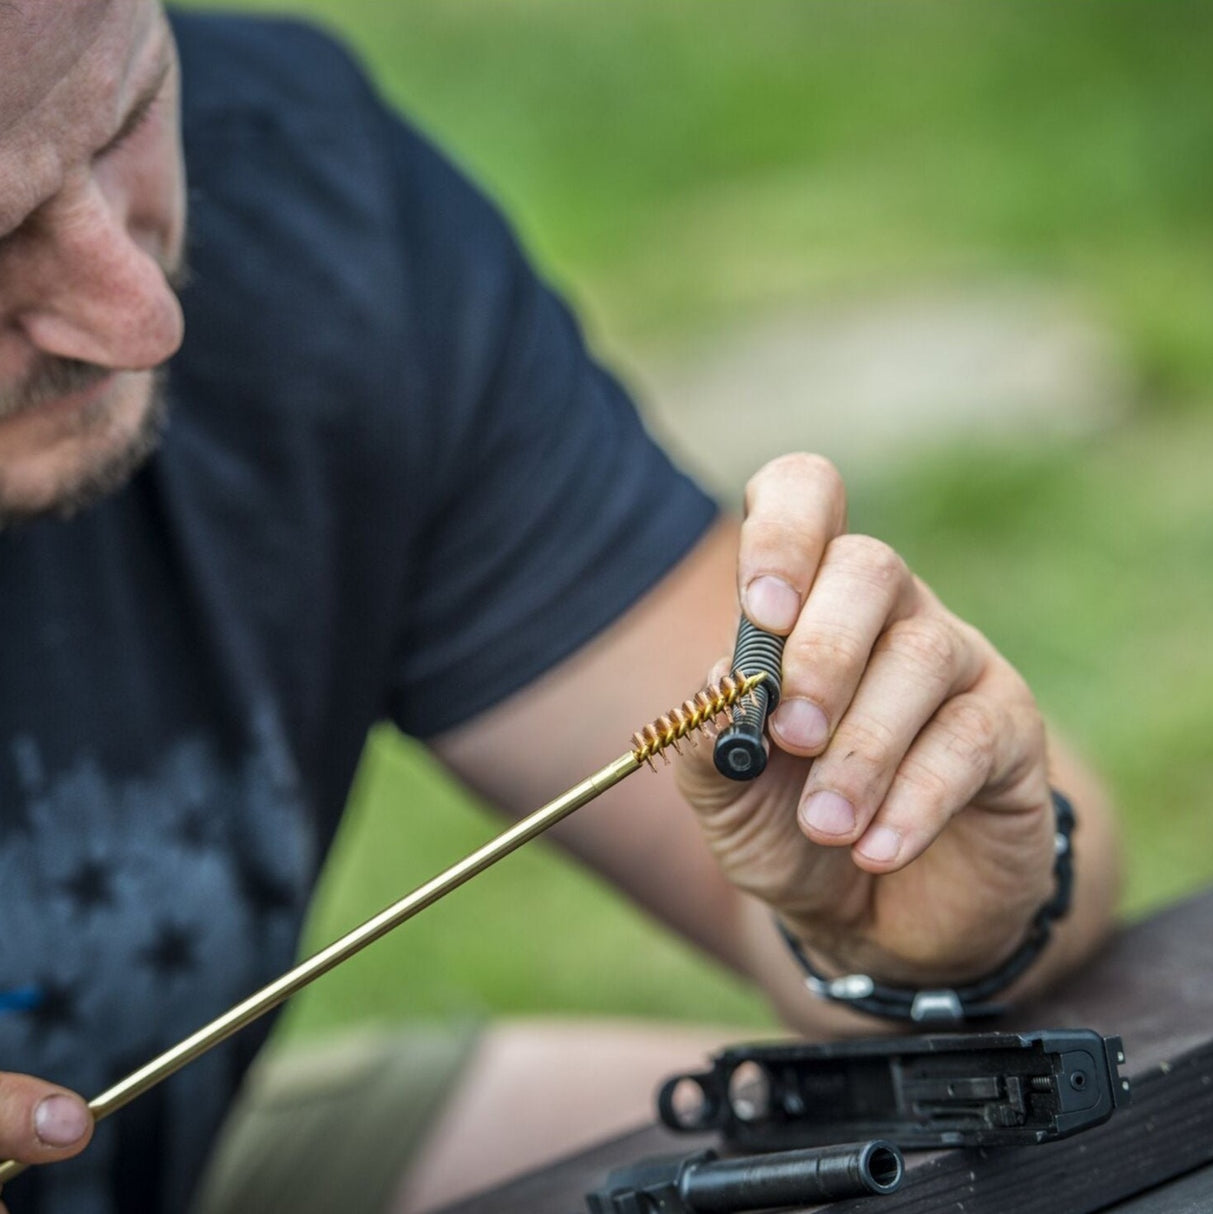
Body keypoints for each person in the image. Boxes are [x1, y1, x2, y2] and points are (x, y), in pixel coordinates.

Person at [0, 2, 1121, 1212]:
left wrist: (924, 923)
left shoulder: (305, 198)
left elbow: (1001, 849)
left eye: (129, 117)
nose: (141, 317)